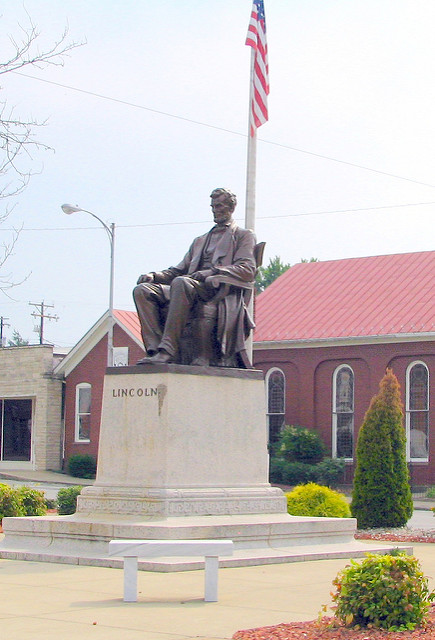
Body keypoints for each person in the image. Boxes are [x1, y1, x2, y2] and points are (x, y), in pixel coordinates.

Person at [133, 188, 257, 367]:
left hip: (215, 290)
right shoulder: (200, 240)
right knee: (143, 291)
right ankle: (154, 350)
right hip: (186, 287)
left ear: (231, 207)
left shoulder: (243, 235)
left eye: (220, 206)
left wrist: (211, 273)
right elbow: (178, 270)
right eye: (213, 206)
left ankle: (168, 350)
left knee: (181, 282)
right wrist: (154, 276)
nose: (215, 210)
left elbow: (247, 269)